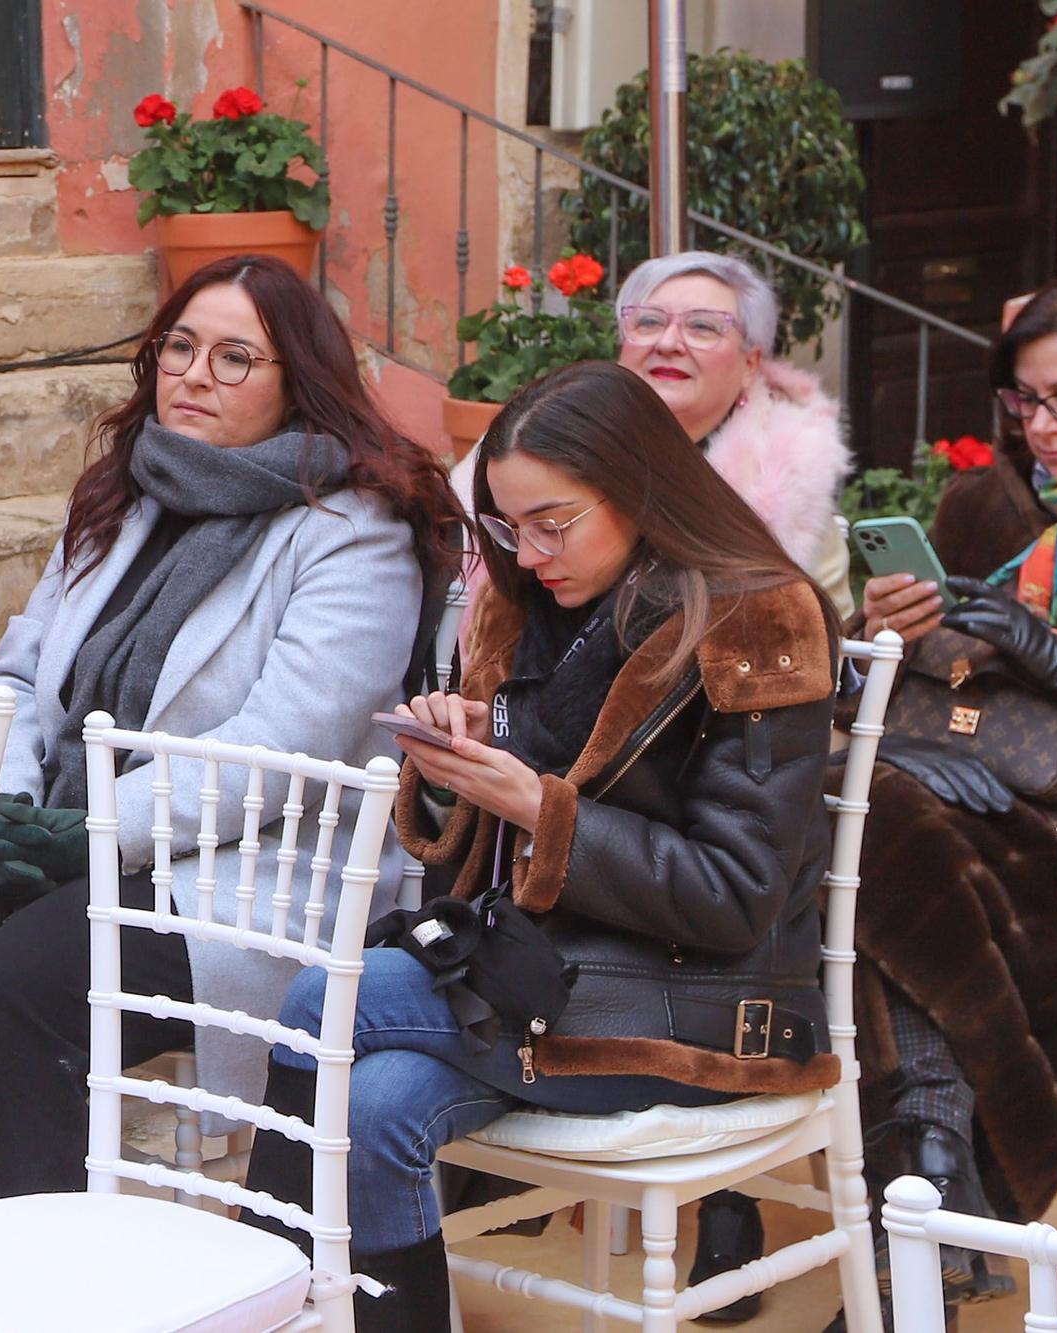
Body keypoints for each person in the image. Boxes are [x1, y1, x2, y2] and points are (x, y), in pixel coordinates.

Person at [0, 254, 465, 1199]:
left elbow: (278, 752)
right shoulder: (123, 495)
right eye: (180, 347)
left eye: (235, 358)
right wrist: (11, 810)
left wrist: (92, 834)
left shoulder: (351, 531)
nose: (194, 374)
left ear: (300, 384)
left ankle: (46, 1274)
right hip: (63, 842)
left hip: (232, 876)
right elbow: (20, 678)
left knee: (28, 980)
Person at [240, 360, 843, 1330]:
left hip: (711, 1007)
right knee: (376, 1106)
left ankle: (253, 1305)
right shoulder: (521, 610)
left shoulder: (754, 613)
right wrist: (451, 771)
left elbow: (736, 895)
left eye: (550, 524)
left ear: (638, 485)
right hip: (539, 972)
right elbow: (469, 869)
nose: (525, 553)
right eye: (506, 529)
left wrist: (536, 804)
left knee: (324, 1000)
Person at [832, 269, 1057, 1314]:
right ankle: (936, 1171)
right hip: (978, 801)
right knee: (872, 819)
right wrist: (888, 638)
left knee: (877, 833)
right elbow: (933, 686)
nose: (1039, 426)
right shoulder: (981, 502)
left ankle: (931, 1177)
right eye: (1022, 401)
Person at [451, 250, 855, 622]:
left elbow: (825, 646)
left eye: (702, 326)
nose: (668, 343)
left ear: (751, 363)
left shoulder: (793, 482)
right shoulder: (537, 439)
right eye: (648, 321)